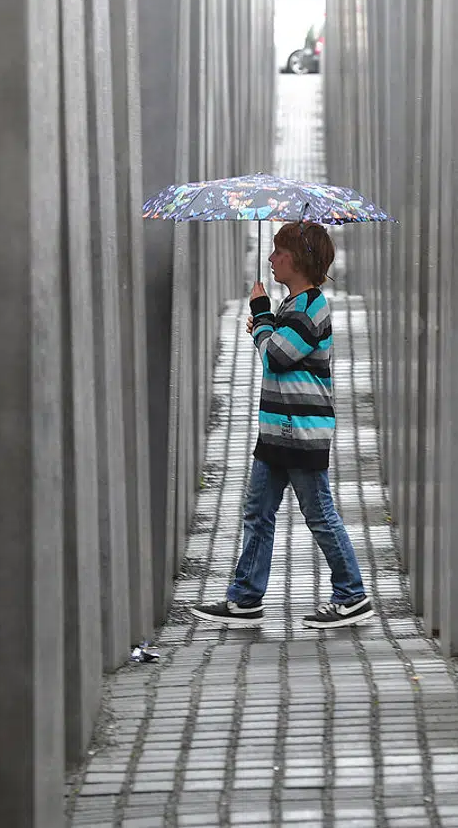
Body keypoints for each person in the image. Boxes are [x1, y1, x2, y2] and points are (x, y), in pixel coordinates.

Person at [192, 221, 375, 630]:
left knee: (319, 514)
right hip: (278, 429)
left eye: (279, 252)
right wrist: (266, 325)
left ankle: (352, 594)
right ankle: (246, 598)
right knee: (258, 512)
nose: (271, 259)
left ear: (298, 259)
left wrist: (261, 316)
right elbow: (276, 346)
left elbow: (276, 357)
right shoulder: (293, 305)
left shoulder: (310, 307)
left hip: (299, 430)